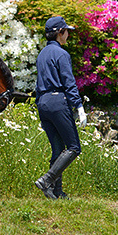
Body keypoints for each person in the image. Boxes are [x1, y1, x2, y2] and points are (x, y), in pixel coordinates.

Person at [34, 16, 87, 199]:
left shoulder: (42, 54)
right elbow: (69, 82)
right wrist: (79, 106)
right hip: (58, 102)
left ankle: (56, 192)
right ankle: (46, 180)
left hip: (43, 103)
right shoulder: (62, 54)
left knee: (58, 149)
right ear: (59, 33)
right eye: (66, 32)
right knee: (74, 147)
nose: (68, 35)